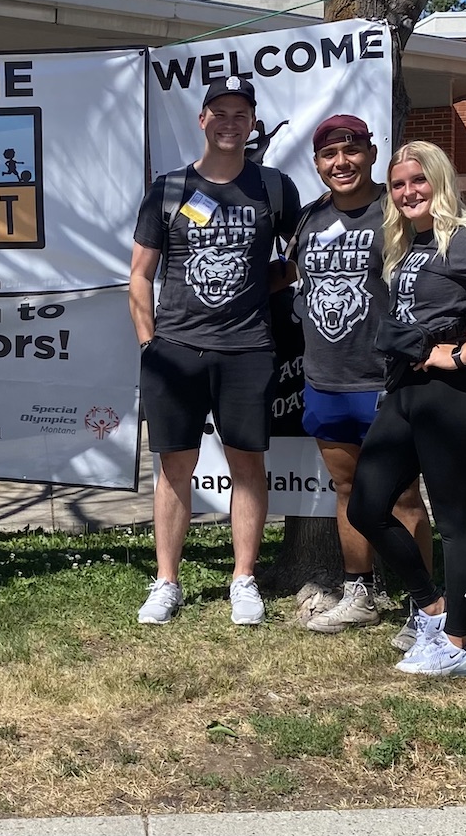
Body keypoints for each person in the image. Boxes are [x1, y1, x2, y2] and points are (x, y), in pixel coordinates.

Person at [347, 140, 466, 677]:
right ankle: (431, 607)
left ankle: (457, 644)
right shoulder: (408, 242)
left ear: (439, 181)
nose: (408, 191)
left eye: (418, 180)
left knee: (454, 522)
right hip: (405, 393)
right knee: (366, 507)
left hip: (448, 398)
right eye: (398, 184)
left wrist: (460, 354)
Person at [130, 75, 301, 626]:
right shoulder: (170, 189)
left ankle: (244, 580)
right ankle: (166, 582)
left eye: (241, 114)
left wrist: (254, 290)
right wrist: (149, 343)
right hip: (175, 349)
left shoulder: (274, 188)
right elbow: (139, 275)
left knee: (246, 463)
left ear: (253, 123)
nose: (230, 123)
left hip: (248, 349)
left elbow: (297, 262)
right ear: (202, 119)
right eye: (219, 113)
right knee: (174, 465)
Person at [287, 116, 433, 645]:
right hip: (325, 381)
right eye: (329, 156)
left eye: (351, 152)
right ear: (318, 164)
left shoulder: (398, 212)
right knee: (346, 490)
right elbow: (287, 278)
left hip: (387, 381)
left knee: (402, 497)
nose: (341, 163)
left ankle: (425, 607)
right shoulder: (308, 219)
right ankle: (360, 592)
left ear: (372, 154)